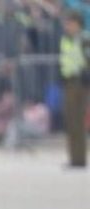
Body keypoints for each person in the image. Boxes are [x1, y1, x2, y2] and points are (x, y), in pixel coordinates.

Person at [60, 10, 88, 168]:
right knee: (71, 122)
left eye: (70, 23)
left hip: (80, 83)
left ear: (78, 24)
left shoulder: (84, 39)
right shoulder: (66, 39)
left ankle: (80, 159)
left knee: (78, 122)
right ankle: (73, 158)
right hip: (68, 82)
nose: (67, 26)